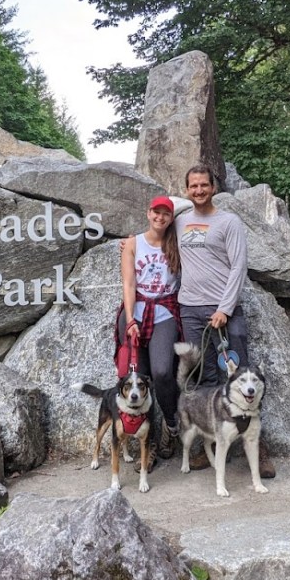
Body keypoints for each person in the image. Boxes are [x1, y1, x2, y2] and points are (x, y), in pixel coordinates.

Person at [174, 164, 274, 477]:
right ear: (187, 190)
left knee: (241, 375)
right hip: (190, 308)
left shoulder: (228, 222)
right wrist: (129, 244)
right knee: (204, 378)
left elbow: (238, 267)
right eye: (193, 186)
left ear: (213, 187)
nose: (199, 190)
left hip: (224, 311)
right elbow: (154, 224)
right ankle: (213, 447)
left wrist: (225, 308)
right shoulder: (181, 221)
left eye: (204, 185)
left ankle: (259, 449)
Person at [115, 195, 183, 467]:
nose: (160, 217)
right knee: (134, 378)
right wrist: (130, 320)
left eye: (166, 213)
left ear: (171, 217)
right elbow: (129, 285)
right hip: (137, 311)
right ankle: (149, 442)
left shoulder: (177, 242)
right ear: (148, 213)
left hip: (165, 310)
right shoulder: (133, 243)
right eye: (156, 212)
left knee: (162, 372)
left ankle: (171, 424)